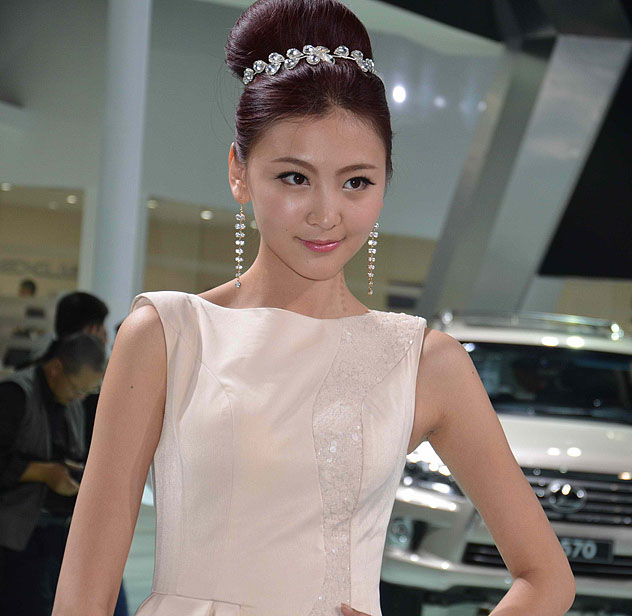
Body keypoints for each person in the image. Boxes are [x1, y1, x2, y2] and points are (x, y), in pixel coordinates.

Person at [51, 2, 576, 615]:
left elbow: (546, 579)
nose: (327, 213)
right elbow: (84, 593)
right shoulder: (167, 335)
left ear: (385, 181)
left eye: (357, 182)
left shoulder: (422, 362)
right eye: (295, 178)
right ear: (239, 172)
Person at [0, 333, 106, 615]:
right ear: (56, 368)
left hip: (58, 533)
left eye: (88, 391)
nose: (80, 397)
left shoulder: (74, 403)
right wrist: (43, 473)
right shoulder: (14, 394)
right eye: (76, 388)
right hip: (15, 538)